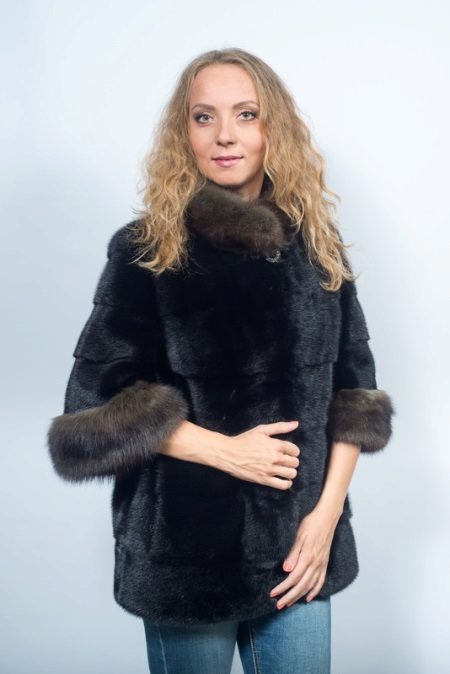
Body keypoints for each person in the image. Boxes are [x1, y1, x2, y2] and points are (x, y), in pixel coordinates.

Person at [47, 48, 394, 674]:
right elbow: (92, 411)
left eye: (246, 114)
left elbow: (356, 397)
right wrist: (225, 451)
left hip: (300, 548)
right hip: (187, 555)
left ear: (273, 128)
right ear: (184, 133)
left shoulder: (318, 248)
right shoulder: (149, 250)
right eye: (204, 117)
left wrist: (324, 520)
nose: (225, 135)